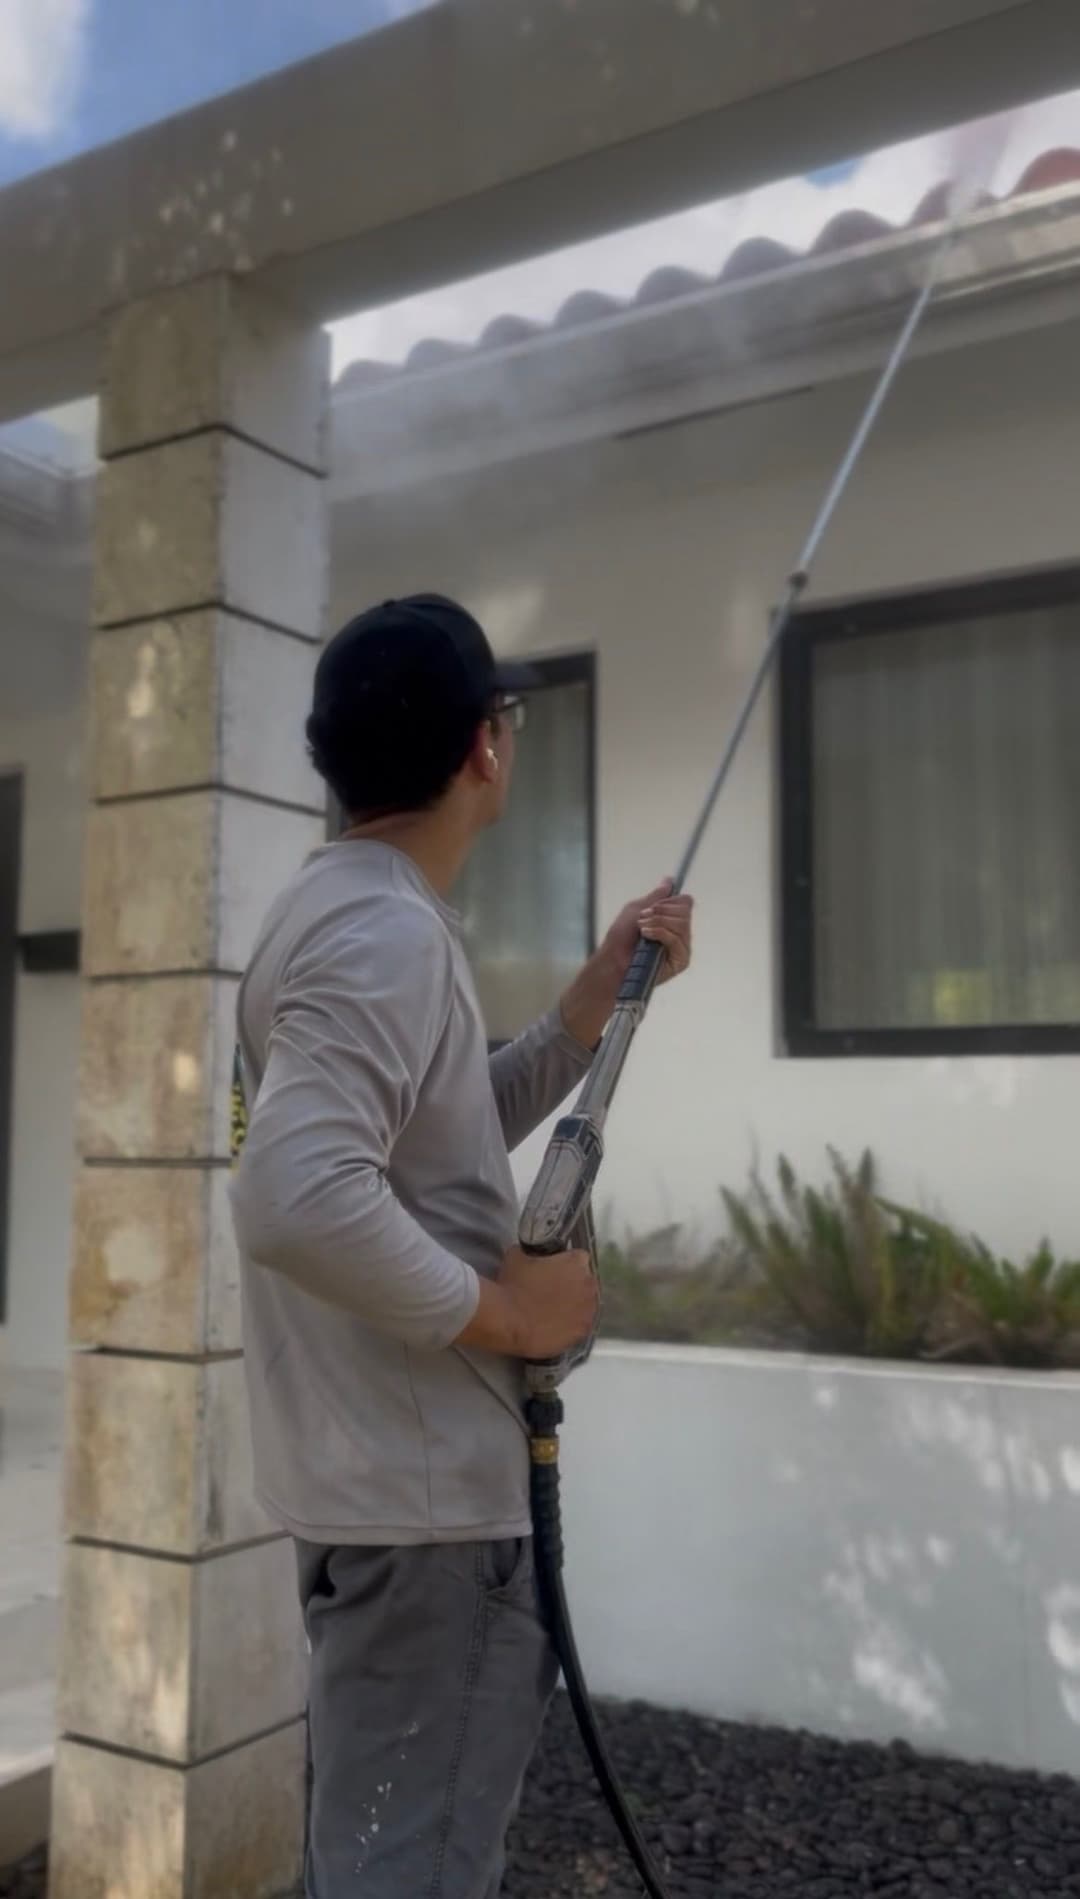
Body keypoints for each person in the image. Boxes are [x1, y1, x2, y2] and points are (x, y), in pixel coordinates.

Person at [229, 593, 693, 1898]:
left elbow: (426, 1145)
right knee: (407, 1871)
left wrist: (584, 1011)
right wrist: (515, 1319)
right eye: (508, 718)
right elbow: (296, 1196)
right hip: (428, 1534)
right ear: (486, 746)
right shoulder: (382, 934)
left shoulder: (336, 910)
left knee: (378, 1856)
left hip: (381, 1505)